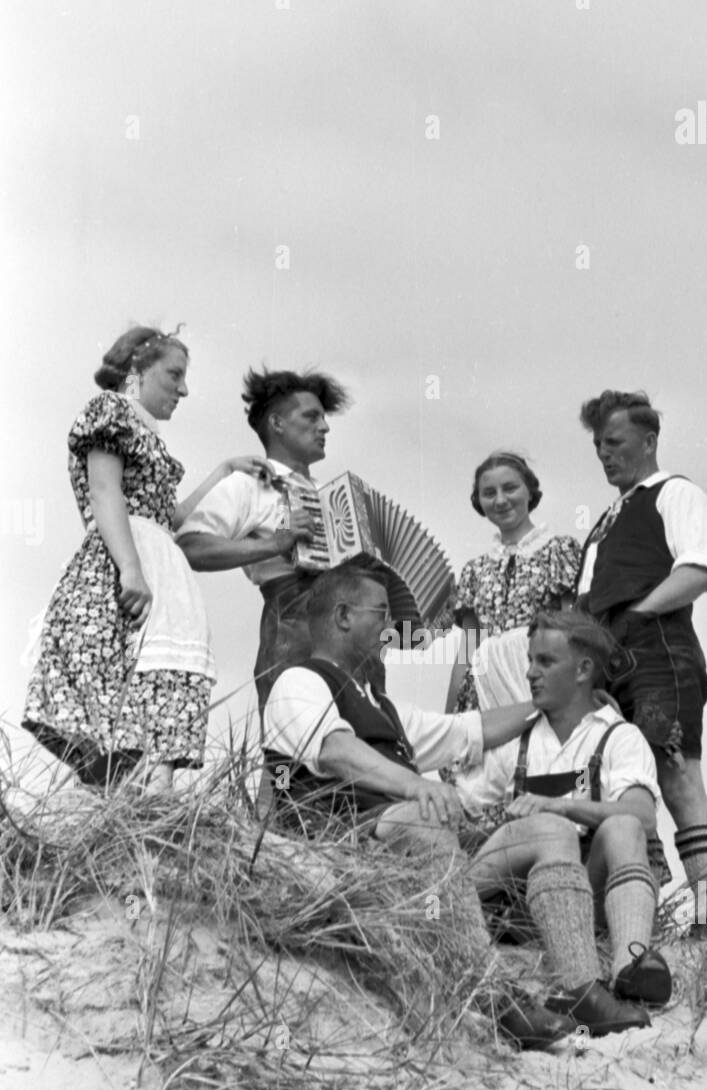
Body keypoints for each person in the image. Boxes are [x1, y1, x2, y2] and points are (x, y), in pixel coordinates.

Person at [261, 563, 581, 1050]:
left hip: (417, 863)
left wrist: (554, 702)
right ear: (343, 616)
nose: (390, 626)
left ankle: (583, 986)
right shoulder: (298, 683)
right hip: (344, 858)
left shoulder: (383, 705)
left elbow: (468, 730)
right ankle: (491, 994)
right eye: (381, 613)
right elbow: (335, 751)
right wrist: (415, 787)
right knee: (423, 816)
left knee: (548, 830)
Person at [22, 326, 266, 792]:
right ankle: (125, 805)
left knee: (152, 697)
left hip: (159, 566)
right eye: (174, 374)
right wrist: (130, 568)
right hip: (124, 560)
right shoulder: (110, 410)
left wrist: (224, 471)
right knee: (118, 692)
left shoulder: (147, 435)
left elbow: (166, 516)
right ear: (136, 369)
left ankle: (148, 810)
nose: (184, 388)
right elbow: (104, 489)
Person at [456, 610, 671, 1036]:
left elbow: (643, 815)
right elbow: (461, 803)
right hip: (520, 904)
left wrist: (560, 807)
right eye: (531, 661)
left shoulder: (618, 736)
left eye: (545, 662)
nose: (531, 673)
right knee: (534, 832)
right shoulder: (518, 741)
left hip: (587, 895)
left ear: (584, 670)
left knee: (623, 826)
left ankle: (631, 965)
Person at [576, 390, 707, 932]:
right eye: (598, 446)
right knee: (623, 782)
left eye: (613, 443)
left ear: (649, 440)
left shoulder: (675, 493)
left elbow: (700, 570)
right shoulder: (604, 523)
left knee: (678, 777)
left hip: (660, 655)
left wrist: (638, 613)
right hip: (608, 663)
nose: (604, 455)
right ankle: (646, 916)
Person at [175, 367, 350, 715]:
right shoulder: (250, 484)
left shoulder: (334, 499)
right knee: (292, 755)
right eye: (311, 416)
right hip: (293, 630)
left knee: (362, 759)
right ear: (277, 424)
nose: (325, 427)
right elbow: (191, 546)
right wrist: (273, 545)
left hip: (350, 641)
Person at [445, 452, 583, 714]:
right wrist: (450, 718)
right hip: (484, 688)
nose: (500, 500)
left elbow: (573, 632)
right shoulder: (475, 570)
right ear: (479, 501)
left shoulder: (559, 550)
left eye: (510, 488)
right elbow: (467, 651)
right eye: (489, 493)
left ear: (529, 491)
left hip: (537, 678)